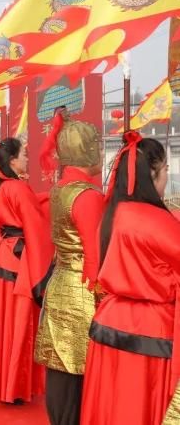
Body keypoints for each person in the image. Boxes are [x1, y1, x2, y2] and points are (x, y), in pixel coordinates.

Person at [81, 133, 180, 425]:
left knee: (110, 409)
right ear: (153, 174)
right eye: (165, 173)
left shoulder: (113, 213)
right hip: (150, 329)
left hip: (109, 321)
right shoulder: (158, 221)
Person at [0, 137, 52, 405]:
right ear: (13, 161)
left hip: (3, 256)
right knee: (18, 324)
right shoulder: (17, 188)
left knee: (0, 325)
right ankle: (13, 386)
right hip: (20, 262)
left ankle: (1, 382)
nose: (28, 159)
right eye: (24, 155)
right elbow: (34, 225)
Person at [33, 111, 103, 425]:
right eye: (98, 145)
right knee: (79, 372)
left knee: (61, 369)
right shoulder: (88, 196)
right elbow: (94, 257)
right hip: (83, 291)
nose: (101, 152)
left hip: (61, 282)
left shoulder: (61, 189)